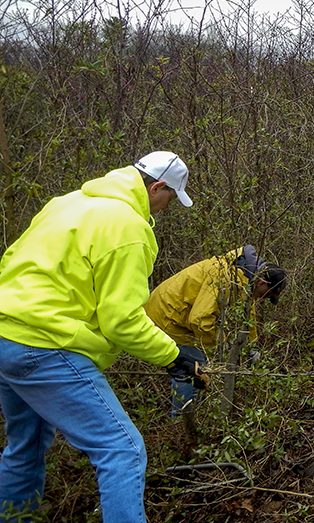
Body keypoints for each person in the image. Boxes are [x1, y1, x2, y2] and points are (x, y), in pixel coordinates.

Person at [0, 152, 202, 522]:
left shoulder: (67, 203)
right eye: (170, 198)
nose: (166, 207)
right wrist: (175, 357)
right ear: (156, 187)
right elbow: (122, 321)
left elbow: (12, 260)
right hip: (45, 345)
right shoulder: (128, 228)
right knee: (122, 449)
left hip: (5, 336)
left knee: (25, 447)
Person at [145, 246, 286, 416]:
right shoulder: (226, 276)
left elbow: (249, 312)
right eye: (268, 295)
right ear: (262, 283)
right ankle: (181, 420)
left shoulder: (245, 277)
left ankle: (193, 412)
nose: (265, 298)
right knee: (193, 367)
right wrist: (220, 343)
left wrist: (252, 345)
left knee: (198, 365)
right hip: (167, 315)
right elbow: (199, 320)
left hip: (177, 315)